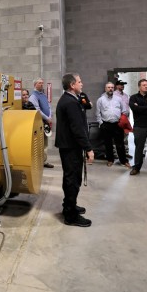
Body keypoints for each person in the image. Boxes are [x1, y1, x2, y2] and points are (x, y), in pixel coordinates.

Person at [54, 73, 95, 227]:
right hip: (71, 147)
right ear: (72, 85)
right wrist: (89, 148)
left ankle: (69, 206)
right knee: (73, 180)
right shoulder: (70, 103)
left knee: (70, 178)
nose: (82, 84)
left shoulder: (71, 99)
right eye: (79, 81)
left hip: (69, 146)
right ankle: (71, 215)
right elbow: (77, 129)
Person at [96, 82, 130, 168]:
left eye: (112, 87)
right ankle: (110, 160)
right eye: (108, 87)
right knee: (108, 144)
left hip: (117, 124)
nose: (110, 89)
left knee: (120, 144)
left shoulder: (118, 99)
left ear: (113, 88)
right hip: (106, 125)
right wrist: (101, 123)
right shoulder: (100, 100)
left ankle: (123, 161)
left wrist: (122, 121)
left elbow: (124, 110)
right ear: (105, 88)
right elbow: (98, 113)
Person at [29, 78, 54, 168]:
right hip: (40, 123)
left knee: (45, 143)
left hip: (46, 122)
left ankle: (43, 161)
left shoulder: (43, 95)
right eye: (40, 83)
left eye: (42, 83)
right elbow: (37, 110)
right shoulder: (33, 96)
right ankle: (40, 162)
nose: (41, 85)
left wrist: (50, 116)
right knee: (40, 143)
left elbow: (49, 106)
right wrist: (47, 118)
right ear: (35, 84)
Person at [114, 80, 132, 160]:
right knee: (117, 135)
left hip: (126, 117)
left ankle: (126, 152)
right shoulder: (114, 95)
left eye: (123, 85)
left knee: (126, 134)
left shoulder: (126, 95)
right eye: (121, 85)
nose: (122, 86)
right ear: (116, 86)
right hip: (117, 117)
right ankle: (116, 153)